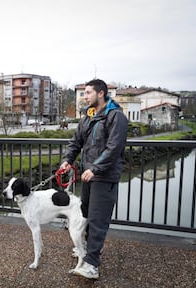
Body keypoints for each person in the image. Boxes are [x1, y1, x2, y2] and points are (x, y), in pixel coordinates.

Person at [60, 79, 128, 279]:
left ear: (101, 93)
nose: (85, 96)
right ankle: (91, 250)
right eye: (84, 92)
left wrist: (96, 169)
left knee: (98, 220)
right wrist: (67, 160)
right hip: (89, 175)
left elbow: (114, 149)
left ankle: (91, 265)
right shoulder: (88, 117)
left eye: (88, 92)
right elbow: (76, 142)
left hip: (103, 176)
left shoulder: (116, 117)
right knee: (87, 214)